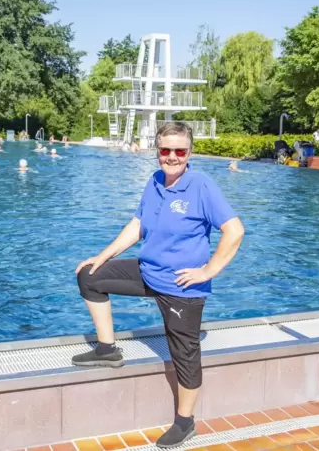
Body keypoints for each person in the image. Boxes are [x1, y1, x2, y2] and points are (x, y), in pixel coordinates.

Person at [73, 122, 244, 449]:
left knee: (184, 354)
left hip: (182, 286)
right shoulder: (154, 182)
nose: (173, 157)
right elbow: (137, 225)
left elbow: (234, 231)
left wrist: (208, 271)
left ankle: (185, 422)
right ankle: (108, 350)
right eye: (166, 150)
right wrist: (102, 255)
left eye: (180, 151)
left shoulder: (201, 186)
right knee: (90, 277)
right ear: (157, 151)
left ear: (189, 152)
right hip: (149, 271)